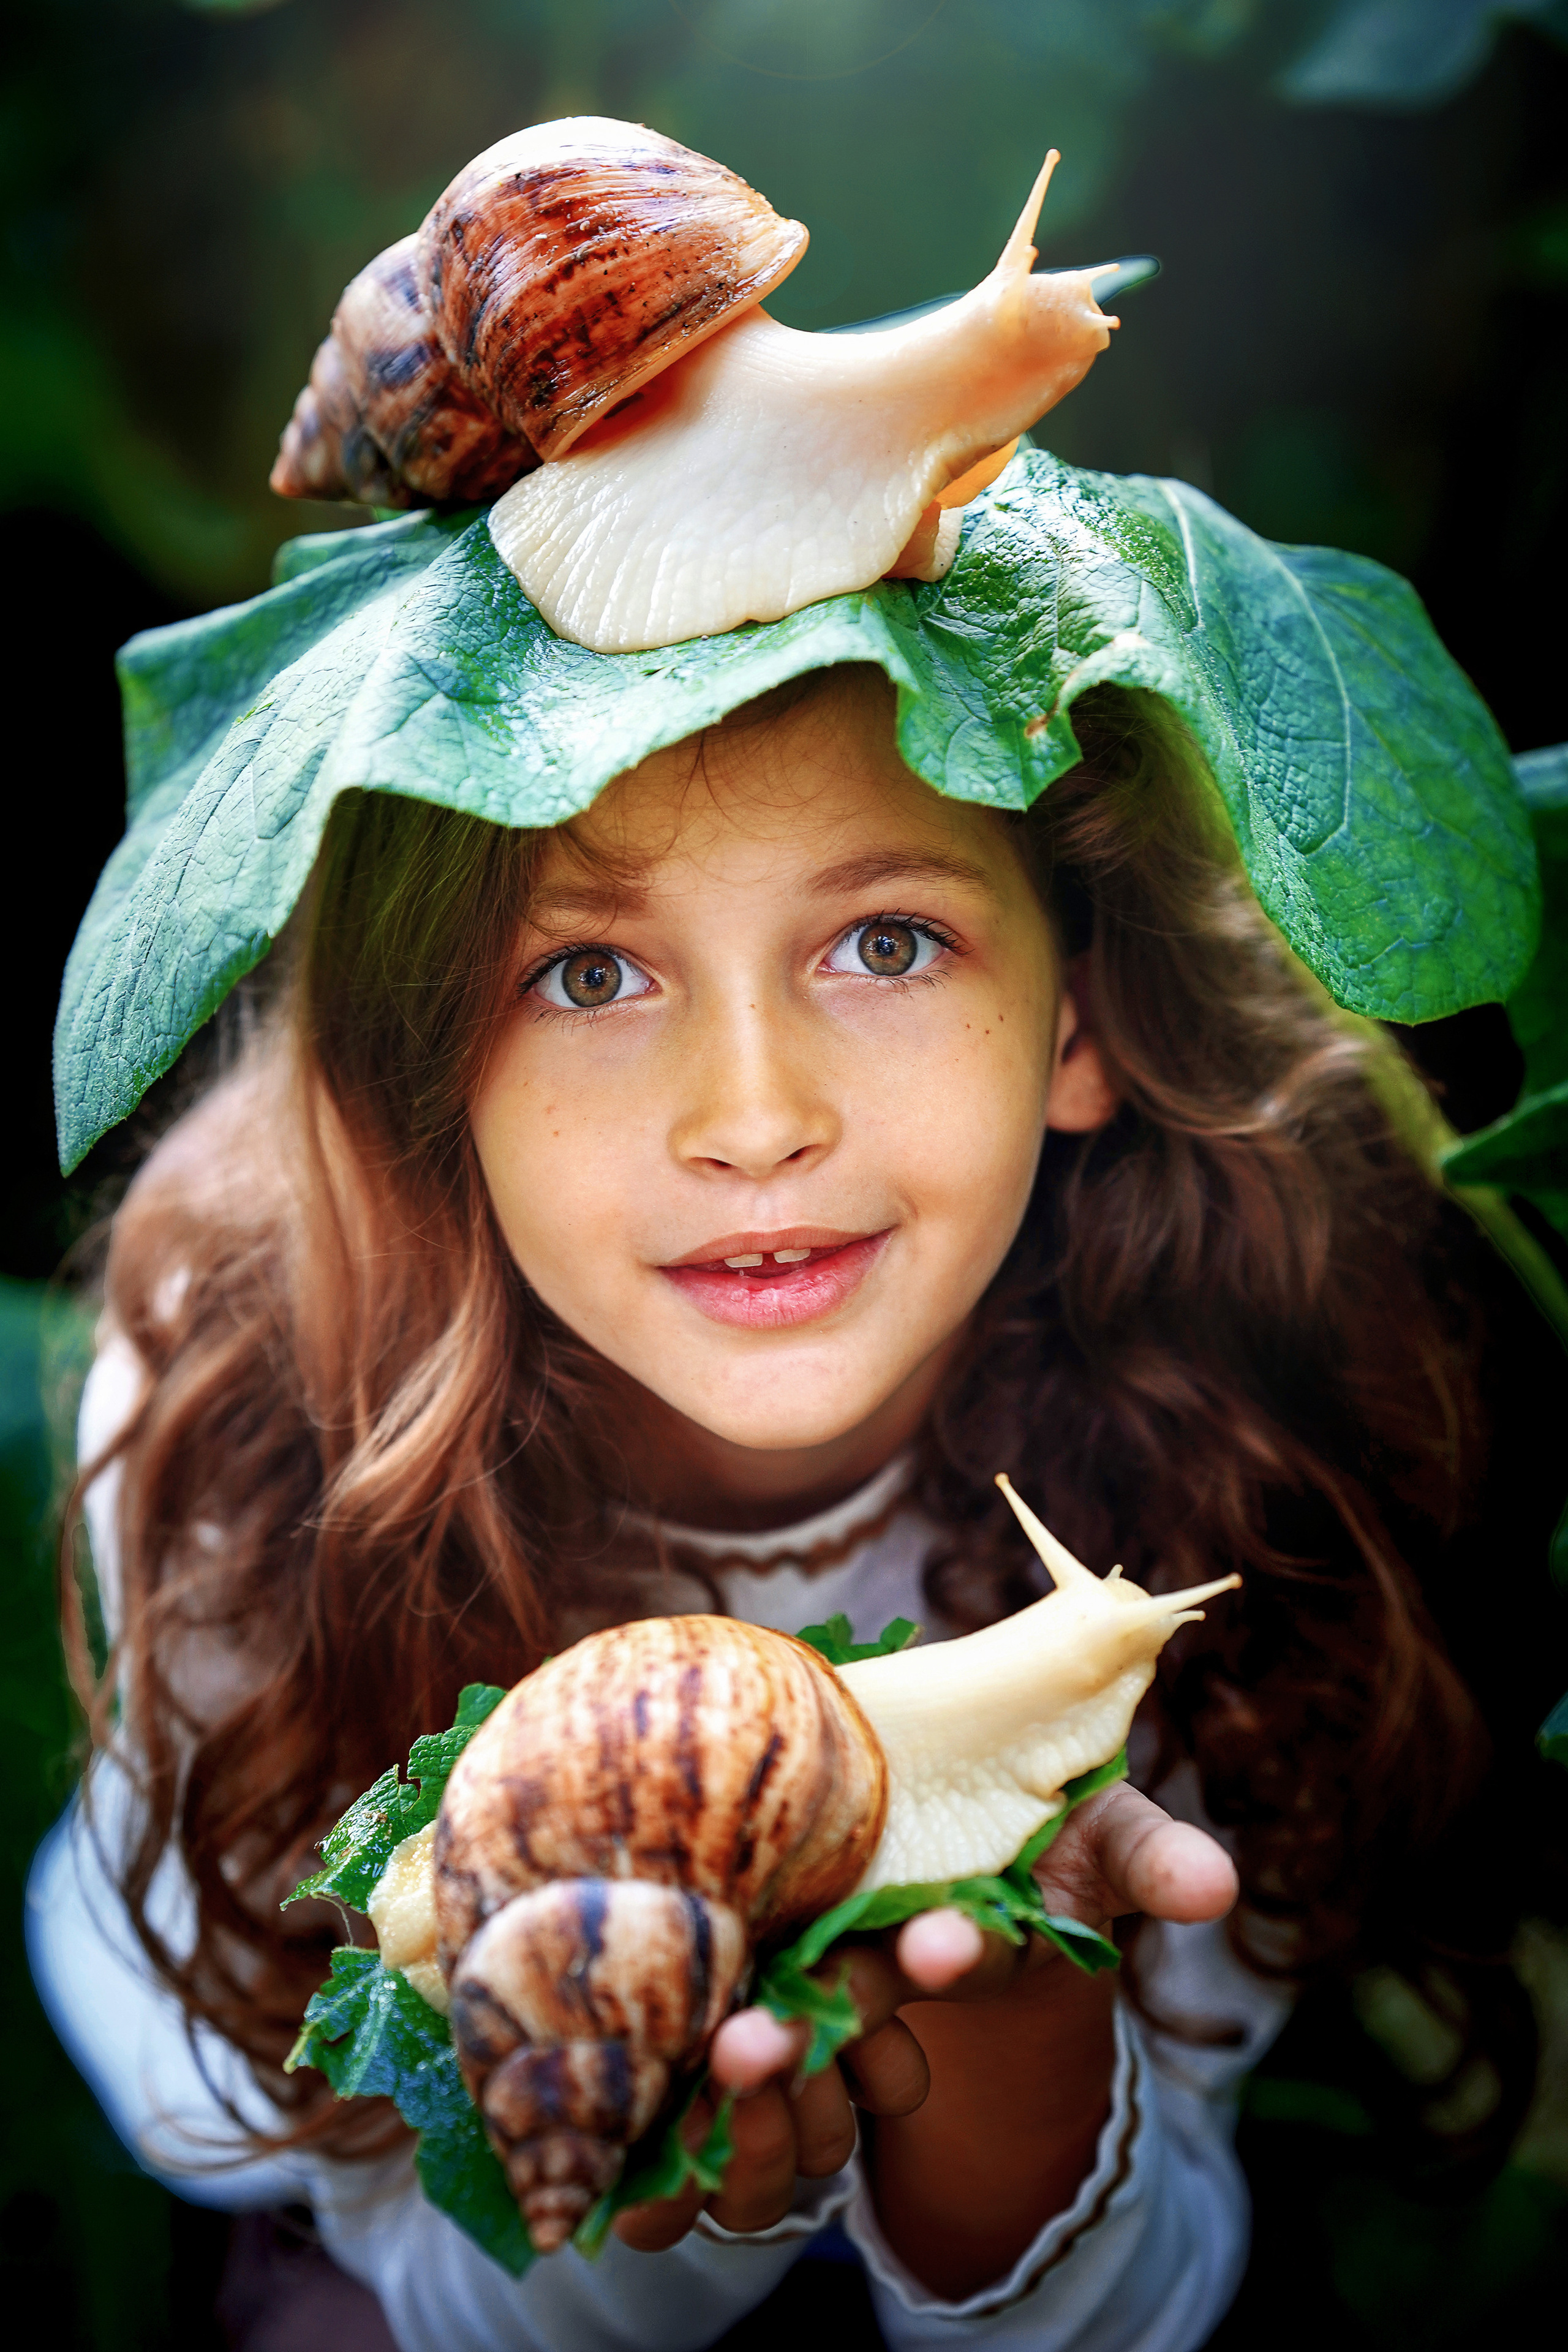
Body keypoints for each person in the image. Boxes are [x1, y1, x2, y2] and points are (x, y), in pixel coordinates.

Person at [30, 649, 1532, 2352]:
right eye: (588, 971)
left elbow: (1141, 2252)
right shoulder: (255, 1419)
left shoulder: (1229, 1438)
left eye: (886, 944)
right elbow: (429, 2242)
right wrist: (663, 2213)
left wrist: (1030, 2115)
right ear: (425, 1052)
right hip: (330, 2169)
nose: (753, 1121)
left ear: (1082, 1021)